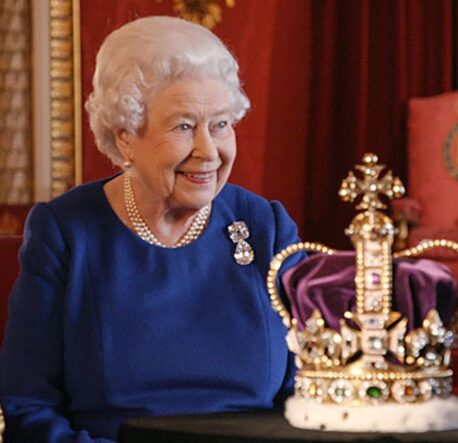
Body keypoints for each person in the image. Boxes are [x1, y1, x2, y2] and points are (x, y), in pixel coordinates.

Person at [0, 16, 302, 442]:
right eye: (184, 126)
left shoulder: (266, 228)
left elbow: (311, 393)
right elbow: (28, 406)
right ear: (126, 136)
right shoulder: (66, 233)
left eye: (220, 124)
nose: (208, 151)